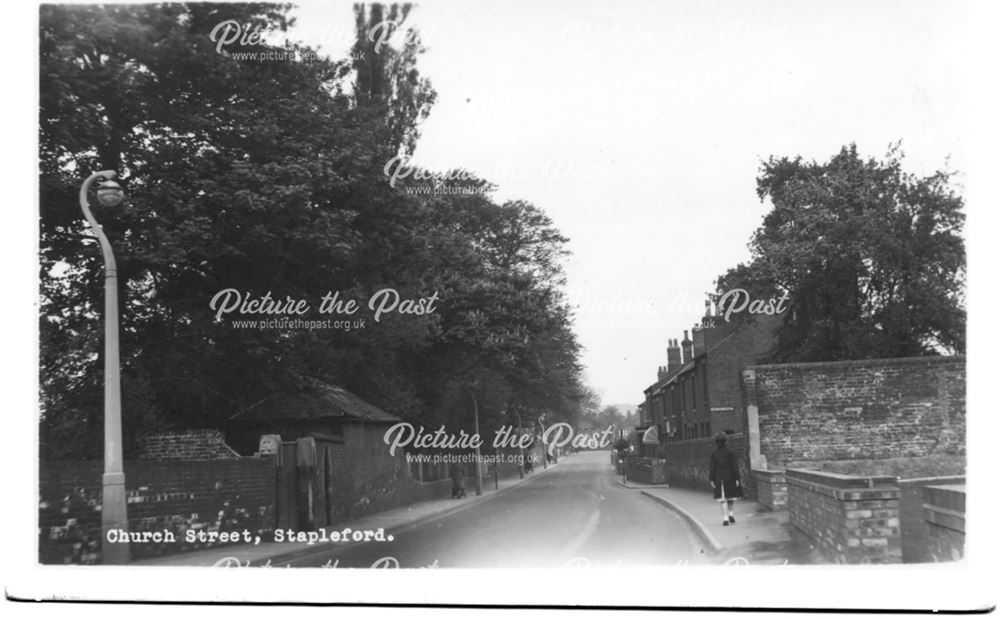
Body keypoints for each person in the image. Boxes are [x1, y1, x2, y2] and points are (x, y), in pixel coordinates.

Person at [708, 432, 743, 526]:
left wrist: (711, 479)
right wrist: (737, 478)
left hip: (719, 478)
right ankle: (731, 513)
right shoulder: (730, 452)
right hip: (730, 477)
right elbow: (734, 466)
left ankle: (725, 517)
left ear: (716, 442)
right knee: (730, 497)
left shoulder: (714, 454)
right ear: (725, 441)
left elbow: (712, 467)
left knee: (723, 498)